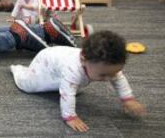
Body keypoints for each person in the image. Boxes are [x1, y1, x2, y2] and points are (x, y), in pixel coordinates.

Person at [10, 31, 146, 132]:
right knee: (29, 85)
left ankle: (63, 81)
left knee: (71, 84)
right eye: (103, 75)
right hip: (45, 62)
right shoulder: (73, 69)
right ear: (83, 59)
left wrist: (127, 98)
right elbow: (67, 93)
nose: (108, 79)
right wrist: (70, 116)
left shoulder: (106, 65)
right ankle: (18, 70)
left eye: (112, 74)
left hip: (61, 63)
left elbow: (119, 79)